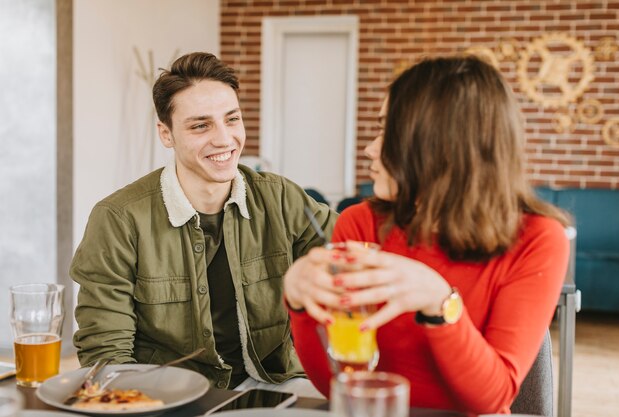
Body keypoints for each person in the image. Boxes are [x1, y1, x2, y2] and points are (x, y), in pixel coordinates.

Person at [284, 56, 570, 414]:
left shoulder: (538, 238)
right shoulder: (360, 223)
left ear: (440, 147)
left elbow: (490, 399)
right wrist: (299, 304)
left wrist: (440, 302)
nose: (371, 148)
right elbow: (340, 385)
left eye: (388, 131)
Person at [71, 52, 336, 393]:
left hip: (274, 382)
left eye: (232, 119)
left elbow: (353, 251)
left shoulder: (281, 197)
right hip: (166, 395)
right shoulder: (118, 219)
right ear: (166, 134)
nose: (224, 139)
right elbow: (107, 355)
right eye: (200, 125)